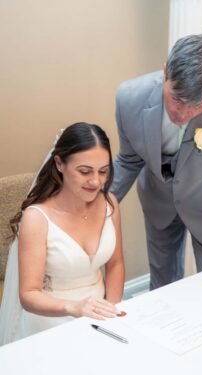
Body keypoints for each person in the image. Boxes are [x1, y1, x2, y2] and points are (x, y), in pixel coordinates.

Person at [110, 32, 202, 299]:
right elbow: (128, 161)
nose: (181, 113)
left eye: (196, 105)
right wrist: (93, 210)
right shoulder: (129, 98)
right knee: (162, 289)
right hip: (158, 203)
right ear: (165, 73)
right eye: (176, 98)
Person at [0, 122, 125, 346]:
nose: (96, 181)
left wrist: (112, 309)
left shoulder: (110, 204)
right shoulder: (37, 218)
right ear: (59, 163)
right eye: (85, 171)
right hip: (49, 319)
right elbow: (29, 294)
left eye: (103, 171)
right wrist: (74, 308)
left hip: (99, 315)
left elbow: (115, 264)